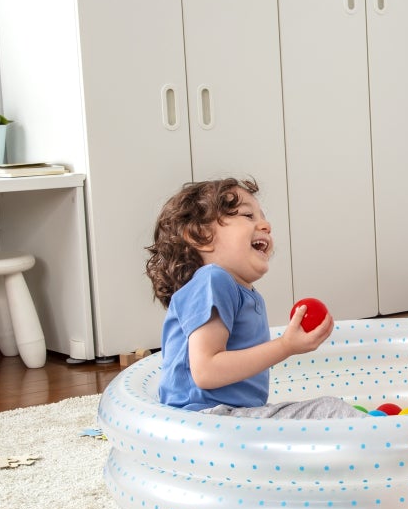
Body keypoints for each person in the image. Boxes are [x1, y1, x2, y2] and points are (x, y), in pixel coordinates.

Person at [145, 177, 357, 420]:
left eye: (263, 217)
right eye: (248, 216)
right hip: (206, 420)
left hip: (228, 417)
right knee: (331, 412)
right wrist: (285, 347)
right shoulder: (213, 280)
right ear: (201, 236)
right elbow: (206, 371)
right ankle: (390, 445)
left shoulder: (242, 293)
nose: (266, 225)